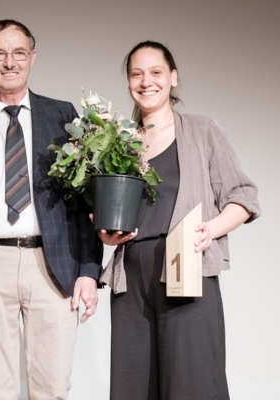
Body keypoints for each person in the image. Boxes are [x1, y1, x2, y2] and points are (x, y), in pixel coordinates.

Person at [0, 19, 101, 400]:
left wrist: (89, 271)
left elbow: (85, 201)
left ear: (32, 58)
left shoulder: (64, 118)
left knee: (52, 388)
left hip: (53, 264)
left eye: (18, 53)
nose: (9, 62)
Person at [96, 41, 261, 400]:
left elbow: (244, 196)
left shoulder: (203, 131)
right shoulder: (118, 143)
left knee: (193, 382)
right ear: (128, 81)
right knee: (133, 384)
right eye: (136, 74)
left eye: (156, 72)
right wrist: (106, 233)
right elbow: (106, 208)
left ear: (173, 77)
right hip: (131, 274)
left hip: (186, 265)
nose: (146, 82)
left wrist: (211, 229)